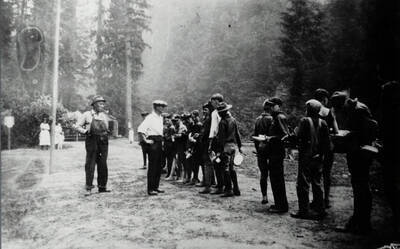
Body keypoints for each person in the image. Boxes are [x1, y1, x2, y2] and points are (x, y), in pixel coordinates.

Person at [331, 91, 378, 234]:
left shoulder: (358, 110)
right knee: (360, 187)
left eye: (339, 108)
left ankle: (361, 224)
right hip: (359, 152)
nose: (341, 111)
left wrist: (345, 136)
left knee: (361, 188)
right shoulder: (356, 108)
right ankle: (359, 222)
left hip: (360, 154)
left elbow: (365, 131)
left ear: (343, 103)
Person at [291, 99, 330, 220]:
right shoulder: (323, 123)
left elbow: (298, 136)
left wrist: (292, 137)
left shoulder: (304, 121)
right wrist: (321, 154)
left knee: (303, 184)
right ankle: (321, 210)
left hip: (306, 157)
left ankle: (304, 211)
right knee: (317, 183)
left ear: (308, 109)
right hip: (318, 157)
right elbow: (326, 143)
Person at [76, 95, 111, 196]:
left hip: (103, 141)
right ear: (94, 105)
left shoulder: (104, 115)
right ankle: (89, 188)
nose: (102, 105)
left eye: (103, 103)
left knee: (103, 164)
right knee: (90, 164)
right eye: (100, 103)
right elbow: (77, 126)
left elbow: (107, 127)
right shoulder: (87, 114)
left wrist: (107, 131)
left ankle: (102, 187)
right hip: (92, 140)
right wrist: (85, 131)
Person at [380, 81, 400, 239]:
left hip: (392, 153)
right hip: (390, 151)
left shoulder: (392, 112)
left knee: (391, 185)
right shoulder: (390, 111)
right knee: (390, 186)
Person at [264, 97, 290, 213]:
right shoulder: (275, 117)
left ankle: (282, 206)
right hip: (274, 152)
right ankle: (279, 203)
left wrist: (270, 138)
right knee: (274, 179)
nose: (270, 107)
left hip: (277, 153)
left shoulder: (280, 117)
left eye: (273, 105)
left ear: (278, 106)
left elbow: (285, 136)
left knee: (278, 179)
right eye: (270, 105)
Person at [314, 88, 339, 208]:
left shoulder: (310, 111)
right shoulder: (329, 112)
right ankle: (326, 199)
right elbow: (336, 131)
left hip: (315, 146)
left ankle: (316, 200)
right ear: (324, 99)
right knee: (326, 173)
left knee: (315, 173)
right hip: (327, 146)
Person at [138, 100, 168, 196]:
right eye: (161, 106)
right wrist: (146, 140)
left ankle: (156, 187)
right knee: (153, 166)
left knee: (159, 165)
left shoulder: (160, 117)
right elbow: (140, 129)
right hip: (153, 141)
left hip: (159, 141)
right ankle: (150, 189)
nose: (163, 108)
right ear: (156, 107)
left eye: (163, 106)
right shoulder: (150, 117)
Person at [215, 102, 242, 197]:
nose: (218, 113)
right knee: (232, 168)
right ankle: (236, 188)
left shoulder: (222, 122)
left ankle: (228, 189)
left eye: (219, 112)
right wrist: (240, 146)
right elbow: (237, 134)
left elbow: (221, 138)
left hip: (226, 146)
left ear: (223, 112)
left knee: (225, 168)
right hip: (233, 146)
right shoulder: (233, 120)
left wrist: (219, 150)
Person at [253, 100, 274, 204]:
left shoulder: (258, 120)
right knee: (273, 174)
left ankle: (264, 196)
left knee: (263, 174)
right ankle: (275, 198)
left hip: (261, 149)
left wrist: (257, 149)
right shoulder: (272, 119)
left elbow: (255, 136)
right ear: (271, 108)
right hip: (271, 149)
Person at [208, 93, 225, 195]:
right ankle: (220, 184)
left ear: (217, 101)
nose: (212, 104)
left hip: (217, 141)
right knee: (219, 162)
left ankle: (220, 186)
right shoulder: (222, 112)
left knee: (218, 163)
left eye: (213, 102)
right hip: (220, 141)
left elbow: (214, 129)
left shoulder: (216, 113)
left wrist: (211, 142)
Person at [199, 101, 215, 194]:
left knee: (207, 164)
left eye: (205, 110)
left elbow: (206, 133)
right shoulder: (208, 118)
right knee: (209, 164)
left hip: (207, 144)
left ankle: (207, 185)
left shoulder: (209, 119)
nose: (204, 112)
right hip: (206, 143)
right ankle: (210, 182)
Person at [171, 114, 188, 182]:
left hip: (183, 146)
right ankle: (180, 176)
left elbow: (182, 136)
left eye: (176, 120)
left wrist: (175, 136)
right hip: (178, 146)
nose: (175, 122)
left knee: (183, 162)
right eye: (174, 121)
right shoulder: (176, 126)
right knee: (179, 161)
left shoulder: (182, 126)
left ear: (179, 120)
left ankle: (184, 177)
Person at [163, 114, 176, 179]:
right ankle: (168, 173)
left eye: (168, 121)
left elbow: (172, 138)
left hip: (170, 146)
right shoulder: (166, 128)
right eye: (166, 121)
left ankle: (170, 174)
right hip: (167, 146)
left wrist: (166, 137)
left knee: (170, 160)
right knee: (168, 160)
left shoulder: (172, 128)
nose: (167, 122)